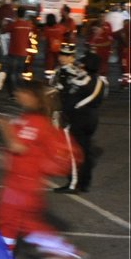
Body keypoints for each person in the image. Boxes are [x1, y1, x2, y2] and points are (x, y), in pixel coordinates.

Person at [0, 84, 88, 259]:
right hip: (20, 182)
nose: (18, 94)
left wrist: (4, 126)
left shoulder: (36, 123)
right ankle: (68, 253)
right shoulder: (27, 119)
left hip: (23, 184)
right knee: (26, 225)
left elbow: (17, 146)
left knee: (10, 222)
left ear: (34, 98)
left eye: (23, 92)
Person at [51, 42, 104, 194]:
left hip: (78, 118)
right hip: (90, 118)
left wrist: (64, 112)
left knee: (74, 152)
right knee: (85, 151)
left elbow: (71, 97)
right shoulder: (98, 80)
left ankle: (74, 183)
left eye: (67, 55)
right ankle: (84, 182)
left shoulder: (81, 79)